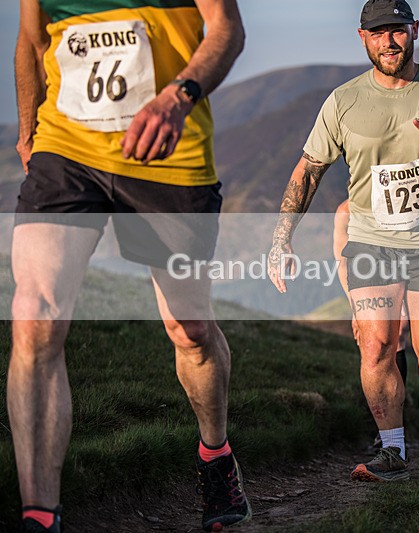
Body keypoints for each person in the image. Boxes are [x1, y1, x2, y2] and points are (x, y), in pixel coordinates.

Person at [9, 1, 248, 531]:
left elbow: (227, 30)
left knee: (191, 331)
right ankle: (39, 514)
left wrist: (178, 96)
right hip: (67, 148)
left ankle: (215, 454)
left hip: (168, 146)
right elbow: (31, 40)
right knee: (34, 314)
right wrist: (29, 133)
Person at [268, 0, 419, 482]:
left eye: (397, 30)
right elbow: (309, 170)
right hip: (371, 242)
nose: (389, 41)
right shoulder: (344, 101)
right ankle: (392, 449)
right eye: (378, 33)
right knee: (376, 345)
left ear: (415, 30)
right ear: (363, 38)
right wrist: (281, 238)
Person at [334, 199, 410, 449]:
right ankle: (388, 430)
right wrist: (355, 308)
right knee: (375, 348)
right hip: (368, 279)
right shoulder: (345, 212)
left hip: (406, 272)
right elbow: (342, 262)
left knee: (407, 337)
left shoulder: (396, 201)